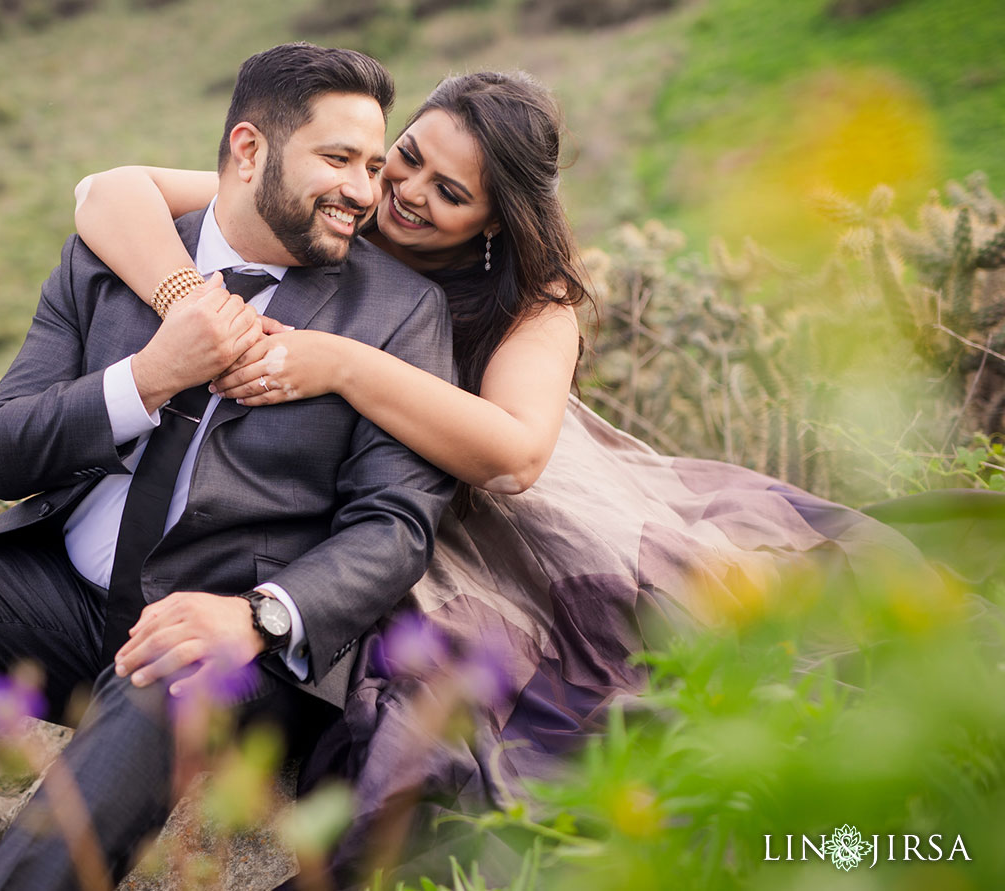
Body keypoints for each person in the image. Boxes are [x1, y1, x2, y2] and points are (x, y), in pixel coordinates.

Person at [73, 70, 923, 881]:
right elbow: (105, 193)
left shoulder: (535, 298)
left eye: (450, 192)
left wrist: (341, 362)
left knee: (630, 681)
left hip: (505, 513)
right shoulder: (345, 204)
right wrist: (187, 295)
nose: (406, 192)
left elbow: (516, 455)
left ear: (492, 222)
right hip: (367, 504)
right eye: (407, 157)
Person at [0, 43, 457, 891]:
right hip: (59, 599)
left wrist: (261, 619)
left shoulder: (399, 311)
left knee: (159, 687)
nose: (365, 189)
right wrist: (150, 374)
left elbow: (394, 524)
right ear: (250, 150)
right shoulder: (114, 254)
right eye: (338, 159)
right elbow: (0, 450)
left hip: (222, 646)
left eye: (371, 164)